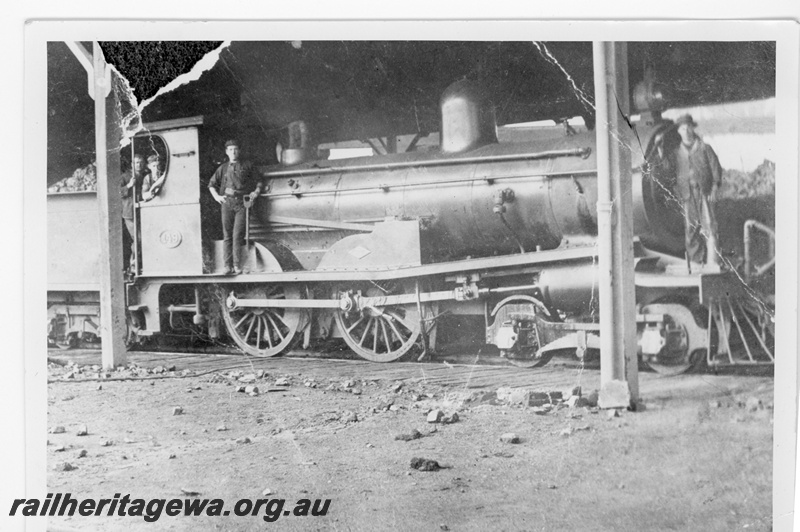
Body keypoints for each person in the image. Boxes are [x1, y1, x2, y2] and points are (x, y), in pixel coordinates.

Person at [670, 114, 723, 269]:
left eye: (688, 127)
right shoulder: (676, 153)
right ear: (679, 132)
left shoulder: (704, 148)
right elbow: (670, 172)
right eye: (682, 128)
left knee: (710, 227)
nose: (686, 131)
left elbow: (716, 169)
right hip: (687, 195)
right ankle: (695, 264)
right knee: (691, 230)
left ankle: (713, 263)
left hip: (704, 193)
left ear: (693, 129)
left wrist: (714, 187)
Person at [208, 139, 263, 275]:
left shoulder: (248, 165)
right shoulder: (222, 168)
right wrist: (217, 197)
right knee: (227, 235)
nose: (233, 152)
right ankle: (227, 266)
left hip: (243, 202)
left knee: (237, 235)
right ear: (227, 152)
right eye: (231, 149)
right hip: (227, 202)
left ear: (240, 151)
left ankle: (237, 265)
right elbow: (211, 185)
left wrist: (255, 192)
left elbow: (259, 181)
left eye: (236, 149)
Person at [120, 153, 151, 271]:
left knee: (144, 237)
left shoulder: (146, 176)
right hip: (130, 212)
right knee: (138, 239)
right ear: (132, 164)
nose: (139, 165)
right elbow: (116, 192)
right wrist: (128, 186)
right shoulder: (125, 177)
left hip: (142, 210)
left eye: (141, 162)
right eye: (137, 162)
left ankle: (142, 264)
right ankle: (134, 266)